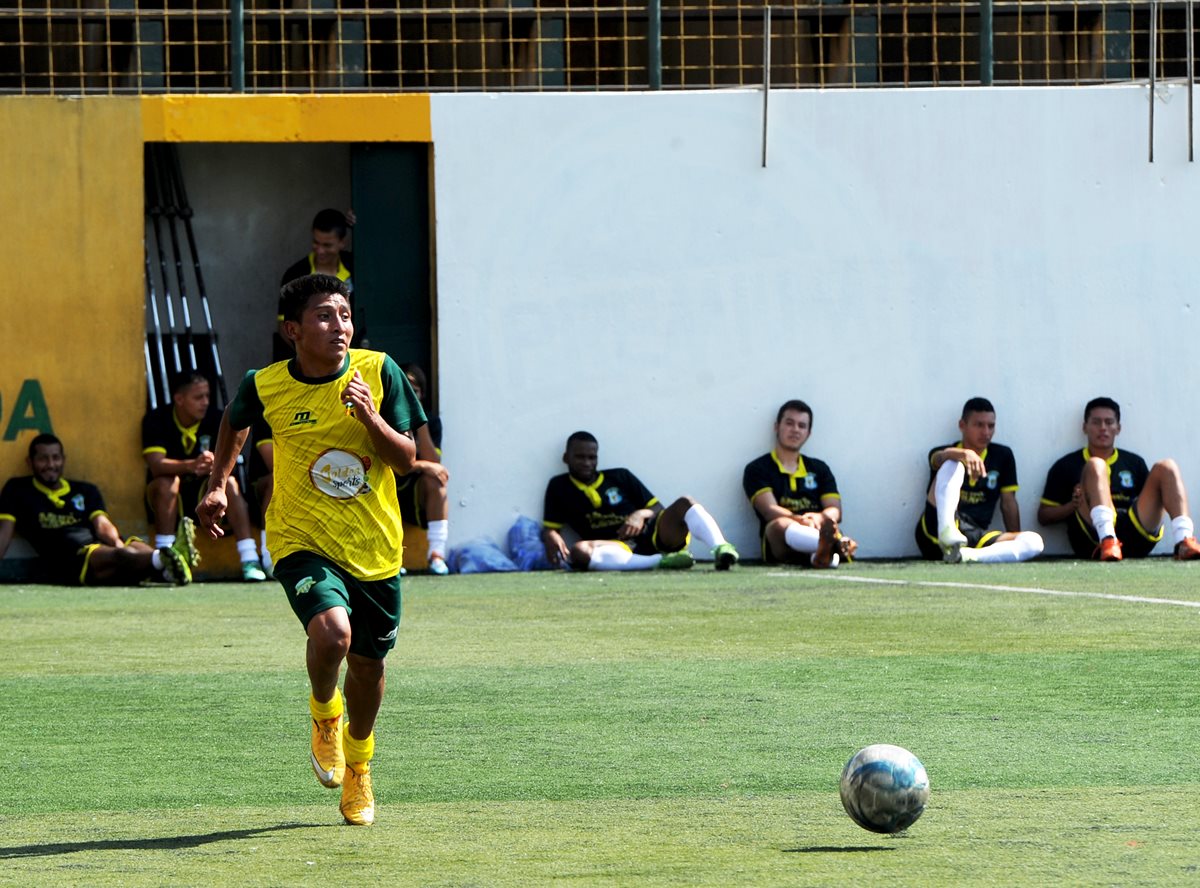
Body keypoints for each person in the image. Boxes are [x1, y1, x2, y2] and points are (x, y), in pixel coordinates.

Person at [197, 273, 426, 827]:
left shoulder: (379, 371)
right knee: (332, 633)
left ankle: (359, 765)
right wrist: (217, 485)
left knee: (369, 670)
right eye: (325, 316)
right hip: (301, 540)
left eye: (345, 315)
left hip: (374, 548)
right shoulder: (267, 384)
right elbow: (234, 422)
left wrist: (370, 417)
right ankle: (325, 713)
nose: (339, 327)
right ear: (292, 330)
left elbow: (407, 461)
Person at [0, 433, 192, 586]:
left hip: (103, 546)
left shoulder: (84, 490)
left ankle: (166, 567)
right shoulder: (17, 490)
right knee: (122, 556)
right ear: (30, 462)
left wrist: (117, 543)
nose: (51, 465)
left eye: (56, 458)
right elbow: (4, 532)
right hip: (72, 559)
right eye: (43, 459)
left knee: (131, 547)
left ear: (63, 460)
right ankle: (166, 560)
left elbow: (102, 525)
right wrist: (120, 551)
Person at [541, 431, 739, 571]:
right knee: (579, 551)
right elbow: (551, 527)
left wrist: (639, 515)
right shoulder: (559, 487)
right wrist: (550, 535)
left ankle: (721, 548)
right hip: (615, 546)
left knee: (684, 502)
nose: (587, 463)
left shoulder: (620, 476)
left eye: (592, 457)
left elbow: (657, 507)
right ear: (566, 457)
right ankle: (660, 562)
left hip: (652, 534)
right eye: (580, 457)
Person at [1038, 396, 1200, 561]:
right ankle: (1108, 540)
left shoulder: (1133, 462)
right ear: (1084, 427)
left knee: (1167, 466)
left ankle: (1184, 540)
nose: (1103, 428)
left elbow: (1151, 501)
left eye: (1109, 422)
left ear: (1118, 428)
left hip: (1133, 532)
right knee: (1095, 465)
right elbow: (1043, 516)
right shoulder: (1066, 464)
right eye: (1096, 422)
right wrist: (1072, 506)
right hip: (1092, 539)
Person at [142, 372, 267, 582]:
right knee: (167, 483)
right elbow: (156, 465)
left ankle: (249, 558)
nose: (205, 402)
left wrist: (215, 464)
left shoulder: (217, 418)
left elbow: (232, 458)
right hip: (169, 495)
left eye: (207, 396)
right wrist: (192, 465)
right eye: (198, 397)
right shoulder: (156, 419)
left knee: (231, 484)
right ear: (179, 399)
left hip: (206, 490)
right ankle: (166, 561)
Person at [914, 397, 1044, 564]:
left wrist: (1014, 540)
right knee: (953, 463)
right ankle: (948, 533)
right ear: (962, 425)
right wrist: (964, 454)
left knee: (1033, 541)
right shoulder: (944, 453)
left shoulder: (1002, 456)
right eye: (979, 425)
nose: (986, 432)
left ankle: (965, 556)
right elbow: (938, 458)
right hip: (933, 531)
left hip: (973, 534)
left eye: (991, 426)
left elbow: (1008, 503)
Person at [742, 399, 857, 568]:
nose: (795, 430)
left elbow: (835, 510)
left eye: (802, 426)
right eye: (789, 423)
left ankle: (822, 554)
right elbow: (769, 510)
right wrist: (801, 520)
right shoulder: (757, 468)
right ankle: (833, 547)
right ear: (776, 426)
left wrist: (820, 517)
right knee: (779, 524)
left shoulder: (819, 468)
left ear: (808, 433)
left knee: (826, 528)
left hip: (817, 527)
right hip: (780, 541)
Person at [275, 209, 357, 361]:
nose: (320, 250)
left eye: (327, 245)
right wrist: (309, 356)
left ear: (342, 243)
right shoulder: (296, 273)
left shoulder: (356, 267)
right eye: (316, 243)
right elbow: (283, 325)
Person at [394, 363, 450, 575]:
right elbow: (391, 464)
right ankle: (392, 560)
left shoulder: (431, 420)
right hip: (389, 486)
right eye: (404, 389)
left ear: (422, 394)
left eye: (413, 391)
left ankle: (437, 555)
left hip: (414, 492)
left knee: (436, 481)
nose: (408, 396)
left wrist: (418, 419)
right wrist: (423, 465)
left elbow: (434, 462)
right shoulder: (384, 417)